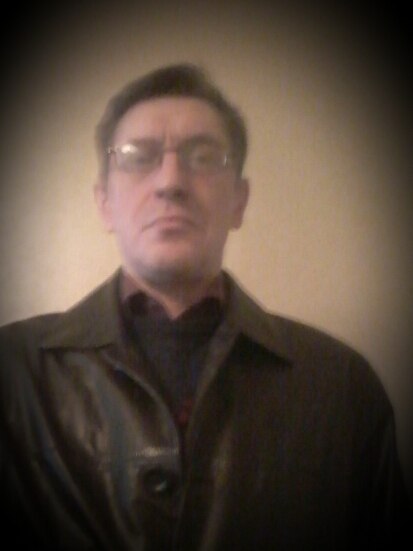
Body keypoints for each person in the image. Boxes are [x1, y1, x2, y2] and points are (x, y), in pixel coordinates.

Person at [0, 63, 410, 550]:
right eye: (138, 157)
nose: (170, 181)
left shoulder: (343, 387)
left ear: (239, 201)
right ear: (104, 202)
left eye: (204, 156)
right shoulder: (13, 374)